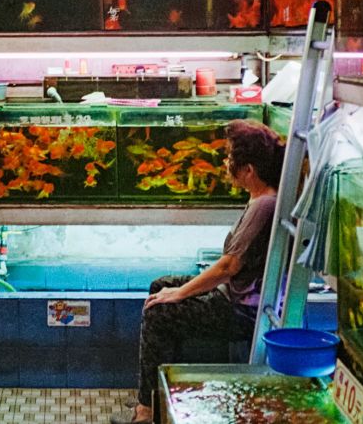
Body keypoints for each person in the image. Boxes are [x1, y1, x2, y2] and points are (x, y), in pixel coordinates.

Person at [111, 119, 284, 424]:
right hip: (233, 296)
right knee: (159, 286)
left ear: (249, 170)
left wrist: (180, 293)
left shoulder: (264, 205)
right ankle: (160, 396)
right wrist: (173, 290)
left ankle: (145, 413)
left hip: (240, 311)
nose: (226, 163)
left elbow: (229, 266)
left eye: (231, 158)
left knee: (158, 314)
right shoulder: (261, 198)